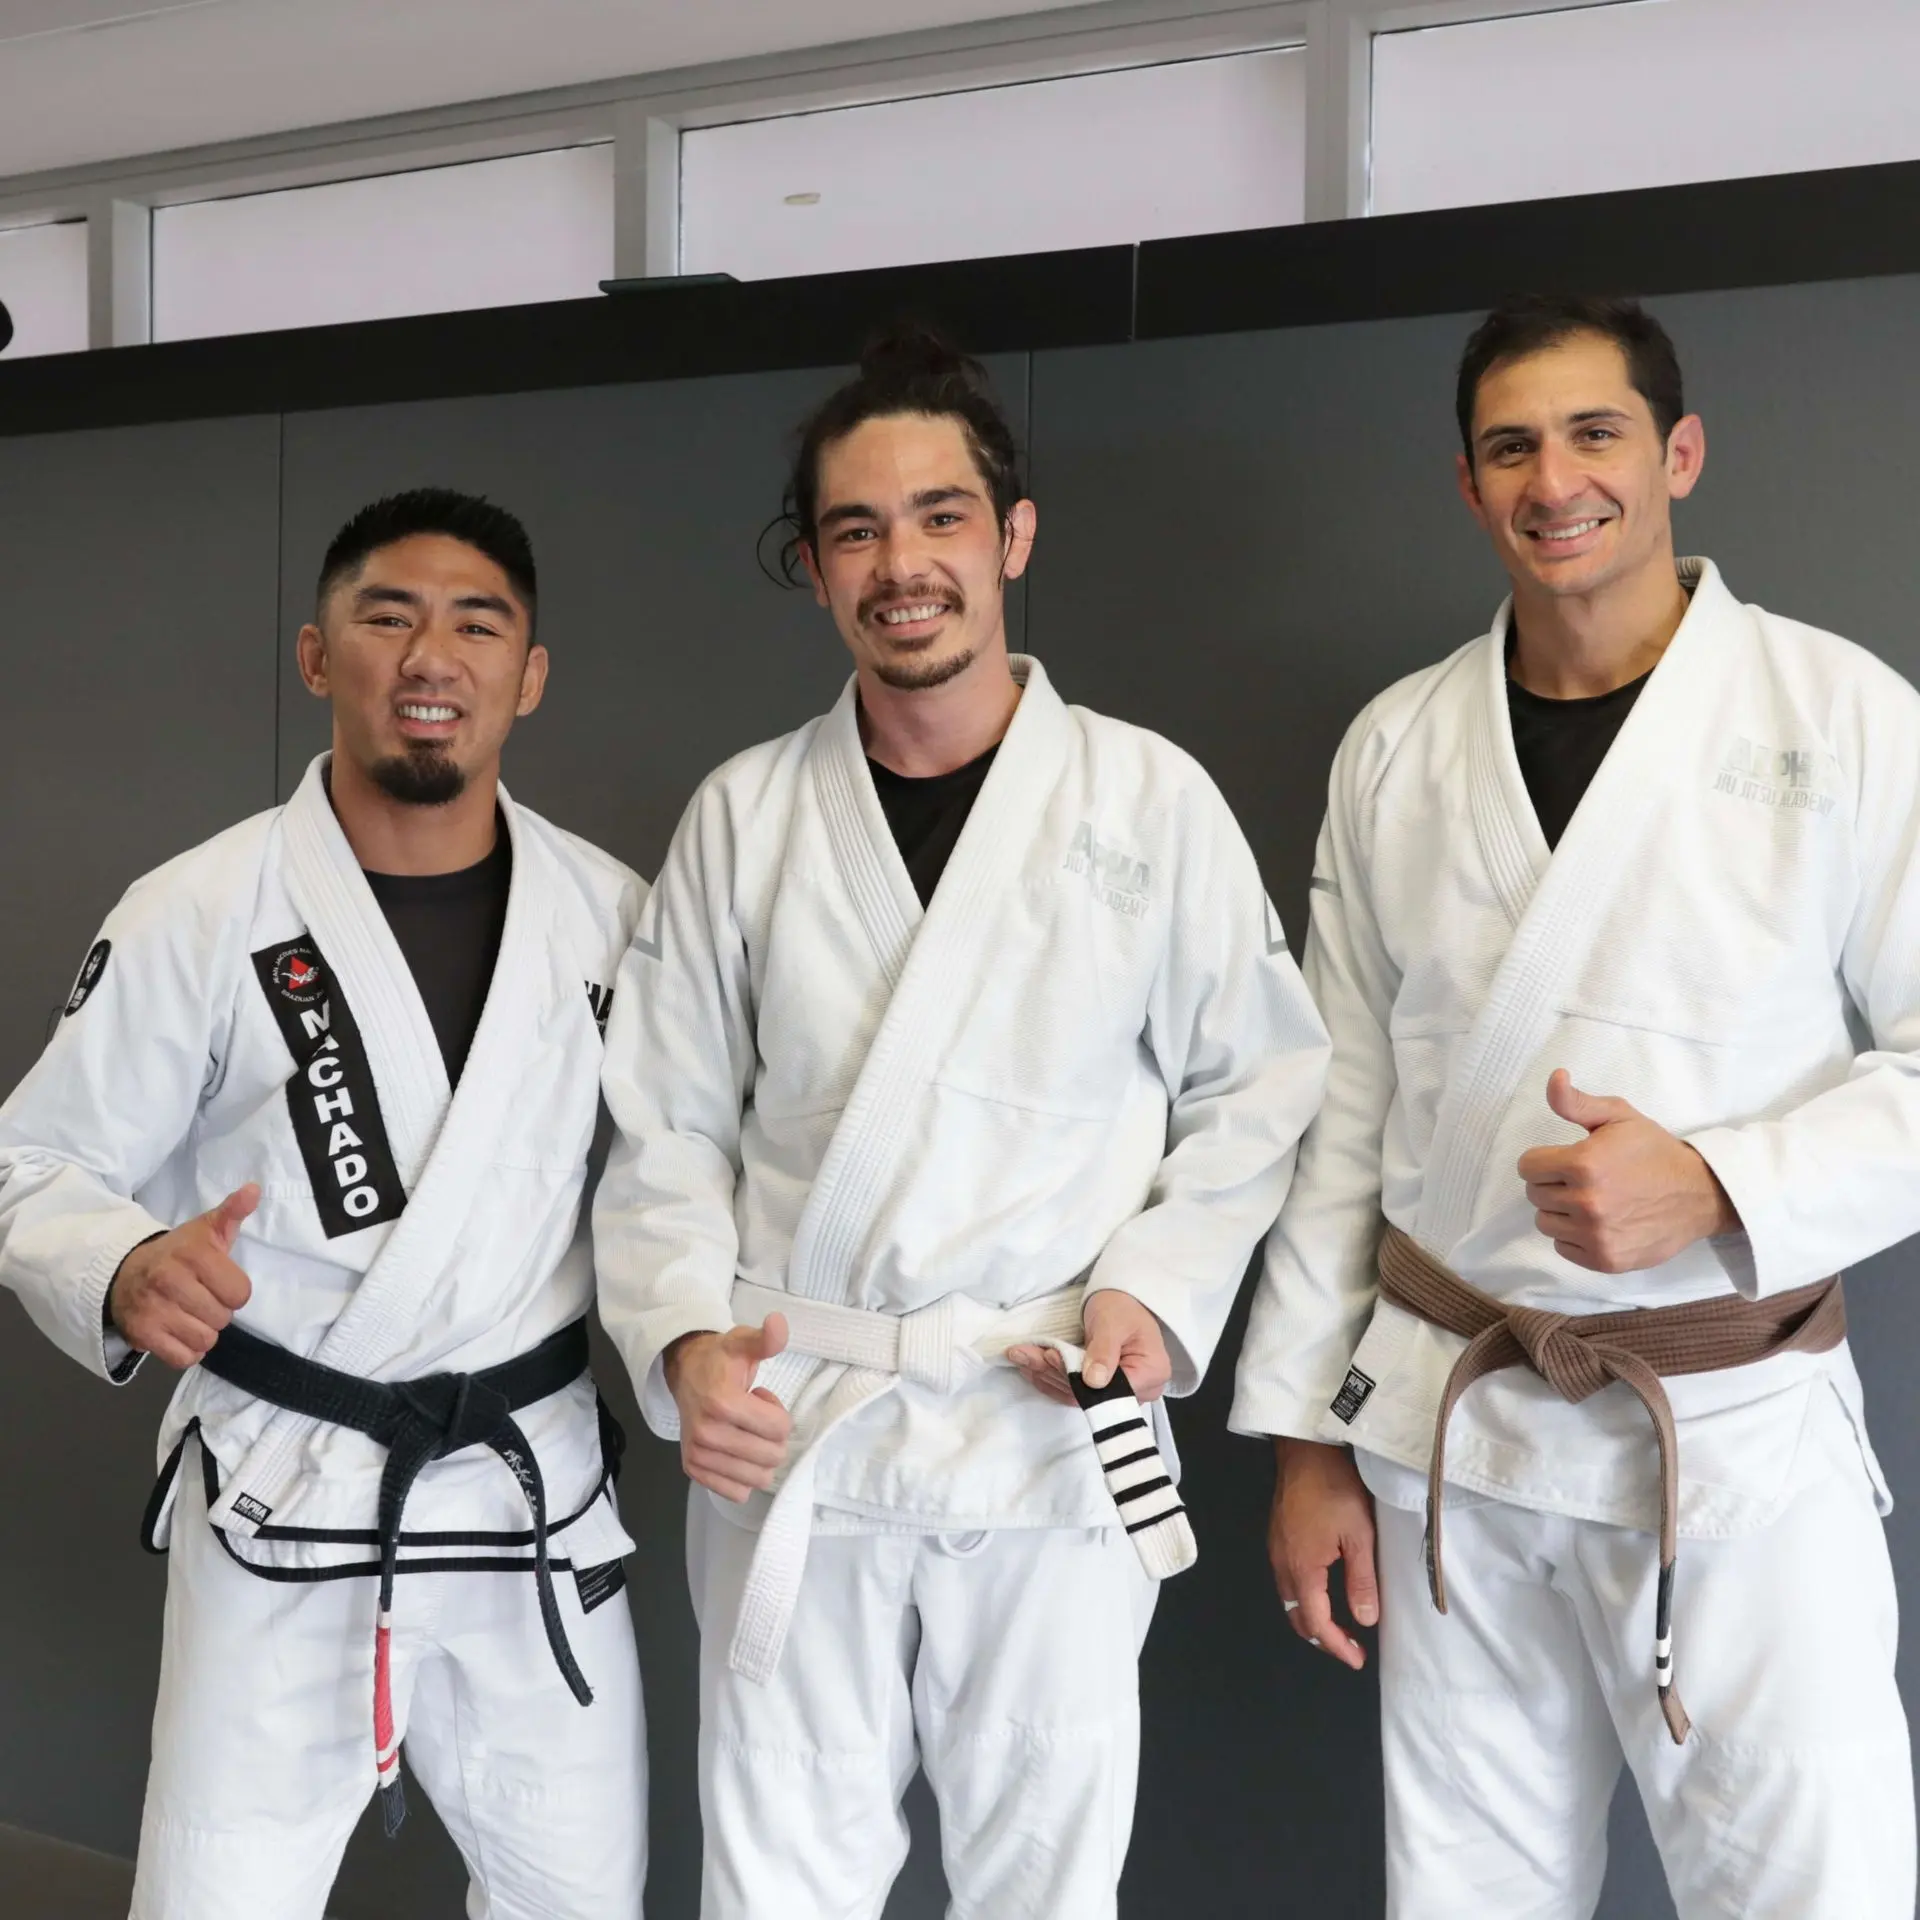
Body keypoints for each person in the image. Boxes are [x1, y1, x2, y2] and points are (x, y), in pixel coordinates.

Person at [594, 327, 1329, 1918]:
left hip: (1046, 1417)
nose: (900, 563)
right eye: (855, 529)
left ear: (1013, 534)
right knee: (777, 1879)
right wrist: (679, 1345)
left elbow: (1260, 1087)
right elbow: (659, 1129)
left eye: (939, 516)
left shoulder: (1148, 802)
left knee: (1043, 1886)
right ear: (813, 568)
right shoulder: (745, 816)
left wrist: (1158, 1285)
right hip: (801, 1423)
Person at [1232, 294, 1918, 1917]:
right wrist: (1302, 1442)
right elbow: (1341, 1111)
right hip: (1450, 1425)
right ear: (1469, 489)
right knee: (1465, 1896)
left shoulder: (1845, 719)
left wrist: (1721, 1182)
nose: (1558, 480)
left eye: (1597, 432)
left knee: (1812, 1892)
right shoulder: (1398, 747)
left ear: (1678, 452)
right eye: (1512, 447)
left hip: (1732, 1435)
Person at [0, 489, 648, 1919]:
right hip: (284, 1492)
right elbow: (27, 1163)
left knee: (581, 1904)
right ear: (315, 657)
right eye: (387, 617)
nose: (433, 655)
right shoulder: (201, 909)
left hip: (525, 1497)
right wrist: (117, 1265)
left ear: (528, 676)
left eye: (478, 625)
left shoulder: (615, 919)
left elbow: (685, 1189)